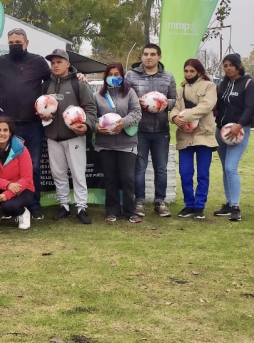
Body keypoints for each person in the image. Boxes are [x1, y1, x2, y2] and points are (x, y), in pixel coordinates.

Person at [0, 28, 51, 219]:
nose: (14, 46)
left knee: (33, 167)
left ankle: (33, 205)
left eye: (18, 42)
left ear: (26, 43)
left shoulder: (38, 62)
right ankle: (8, 204)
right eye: (11, 43)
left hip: (33, 124)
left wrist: (76, 74)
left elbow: (55, 81)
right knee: (5, 168)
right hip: (7, 127)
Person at [40, 49, 97, 224]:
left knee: (78, 174)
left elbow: (91, 110)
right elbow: (41, 107)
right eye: (53, 63)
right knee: (58, 174)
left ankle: (81, 207)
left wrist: (86, 125)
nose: (55, 65)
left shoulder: (79, 84)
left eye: (59, 62)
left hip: (74, 137)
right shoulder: (46, 84)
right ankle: (64, 205)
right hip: (52, 137)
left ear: (68, 64)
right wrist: (43, 116)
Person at [124, 43, 177, 217]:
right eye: (145, 54)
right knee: (139, 167)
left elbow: (174, 100)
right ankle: (139, 202)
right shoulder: (131, 76)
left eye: (153, 54)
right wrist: (139, 102)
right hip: (139, 130)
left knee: (161, 168)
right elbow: (124, 99)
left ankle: (160, 202)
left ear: (159, 57)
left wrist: (162, 104)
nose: (148, 57)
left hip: (161, 131)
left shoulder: (168, 77)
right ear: (141, 57)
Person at [93, 62, 142, 223]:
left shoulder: (130, 93)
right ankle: (112, 211)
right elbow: (91, 117)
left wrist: (124, 122)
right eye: (110, 74)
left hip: (127, 143)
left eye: (117, 74)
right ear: (105, 76)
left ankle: (130, 211)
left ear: (122, 76)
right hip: (105, 144)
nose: (113, 77)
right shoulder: (97, 96)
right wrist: (97, 128)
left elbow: (136, 112)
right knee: (110, 178)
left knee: (128, 178)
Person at [169, 59, 217, 219]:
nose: (189, 74)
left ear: (199, 72)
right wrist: (175, 118)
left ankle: (200, 206)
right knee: (185, 172)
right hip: (185, 136)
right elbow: (175, 106)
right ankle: (189, 204)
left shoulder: (209, 86)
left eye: (192, 71)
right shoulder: (180, 89)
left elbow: (207, 106)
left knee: (203, 174)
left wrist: (186, 116)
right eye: (186, 71)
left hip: (204, 135)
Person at [212, 53, 254, 222]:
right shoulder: (223, 85)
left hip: (239, 131)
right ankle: (229, 203)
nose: (228, 68)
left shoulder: (247, 83)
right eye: (225, 65)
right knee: (225, 168)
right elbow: (217, 107)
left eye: (231, 65)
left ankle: (236, 207)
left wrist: (240, 124)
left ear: (239, 65)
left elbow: (250, 107)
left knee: (231, 167)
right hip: (221, 131)